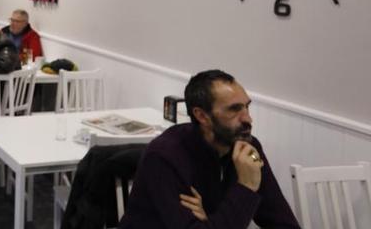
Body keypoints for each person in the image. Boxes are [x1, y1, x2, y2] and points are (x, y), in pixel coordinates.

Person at [118, 70, 300, 228]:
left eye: (246, 107)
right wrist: (246, 187)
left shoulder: (248, 149)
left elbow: (284, 224)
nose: (248, 119)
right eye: (234, 110)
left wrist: (211, 221)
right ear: (202, 116)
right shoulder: (165, 156)